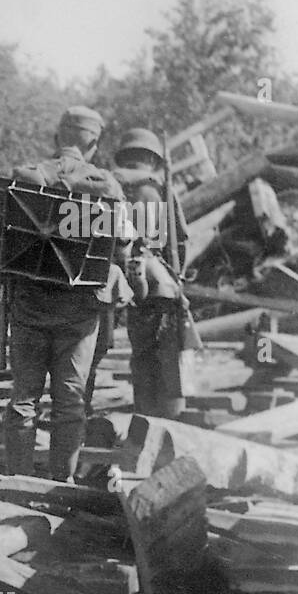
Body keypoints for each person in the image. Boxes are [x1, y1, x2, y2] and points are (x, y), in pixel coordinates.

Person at [0, 106, 132, 483]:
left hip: (28, 305)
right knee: (70, 400)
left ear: (57, 137)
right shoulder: (105, 185)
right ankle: (60, 484)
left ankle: (18, 481)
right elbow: (123, 248)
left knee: (24, 398)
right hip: (79, 312)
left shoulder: (23, 177)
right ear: (94, 144)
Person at [112, 127, 189, 419]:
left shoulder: (112, 185)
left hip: (129, 285)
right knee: (170, 363)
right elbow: (181, 241)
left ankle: (144, 425)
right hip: (161, 287)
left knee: (142, 359)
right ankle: (168, 429)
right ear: (153, 158)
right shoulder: (157, 188)